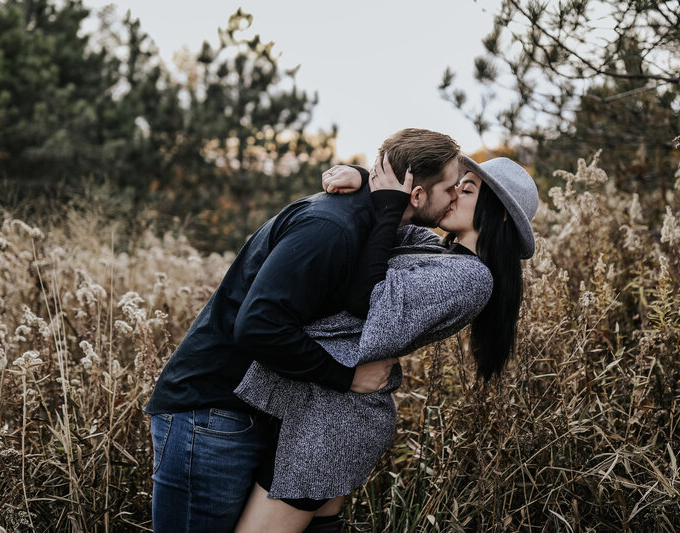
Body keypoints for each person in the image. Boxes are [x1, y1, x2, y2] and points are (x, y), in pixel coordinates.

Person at [144, 128, 463, 532]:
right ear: (416, 196)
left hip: (251, 412)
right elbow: (259, 326)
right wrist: (346, 377)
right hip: (211, 414)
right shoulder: (332, 228)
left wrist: (364, 177)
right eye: (452, 188)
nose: (455, 195)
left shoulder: (373, 226)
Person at [233, 152, 539, 533]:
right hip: (323, 406)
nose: (453, 194)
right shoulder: (432, 248)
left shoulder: (472, 279)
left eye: (468, 189)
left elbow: (367, 298)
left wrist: (383, 200)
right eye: (456, 186)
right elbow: (390, 213)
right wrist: (363, 177)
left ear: (502, 215)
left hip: (333, 422)